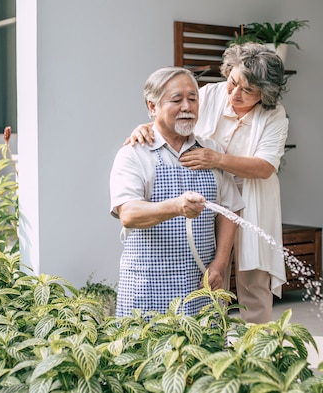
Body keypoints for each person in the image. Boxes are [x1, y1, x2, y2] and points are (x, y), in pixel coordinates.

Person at [126, 43, 288, 323]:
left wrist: (217, 159)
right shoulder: (211, 93)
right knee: (212, 269)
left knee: (253, 280)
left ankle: (258, 350)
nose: (235, 94)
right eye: (233, 82)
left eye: (247, 91)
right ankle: (214, 338)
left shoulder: (274, 115)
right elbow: (177, 116)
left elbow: (264, 167)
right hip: (211, 193)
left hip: (254, 197)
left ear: (265, 94)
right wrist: (146, 127)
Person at [110, 66, 244, 318]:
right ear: (152, 107)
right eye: (177, 99)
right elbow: (128, 213)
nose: (187, 107)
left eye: (193, 99)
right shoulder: (133, 154)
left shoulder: (211, 150)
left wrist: (220, 263)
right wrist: (177, 207)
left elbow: (230, 209)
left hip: (201, 285)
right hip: (148, 287)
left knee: (205, 355)